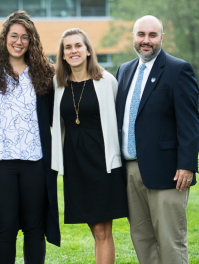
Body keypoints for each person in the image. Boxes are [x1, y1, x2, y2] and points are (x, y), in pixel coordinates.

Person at [0, 11, 60, 263]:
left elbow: (57, 117)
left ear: (32, 41)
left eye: (25, 37)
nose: (19, 41)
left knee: (35, 229)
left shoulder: (45, 73)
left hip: (35, 163)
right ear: (4, 38)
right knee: (5, 229)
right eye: (14, 35)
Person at [115, 15, 199, 264]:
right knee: (142, 238)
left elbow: (190, 123)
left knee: (170, 240)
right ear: (133, 37)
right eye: (141, 34)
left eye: (152, 35)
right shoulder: (124, 70)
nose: (146, 40)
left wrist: (187, 164)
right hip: (130, 171)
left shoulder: (178, 69)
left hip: (168, 171)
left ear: (162, 37)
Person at [51, 28, 128, 264]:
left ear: (87, 51)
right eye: (68, 47)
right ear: (63, 55)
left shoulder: (106, 81)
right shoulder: (57, 84)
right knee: (95, 231)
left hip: (103, 163)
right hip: (75, 164)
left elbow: (120, 121)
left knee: (103, 231)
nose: (73, 50)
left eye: (78, 46)